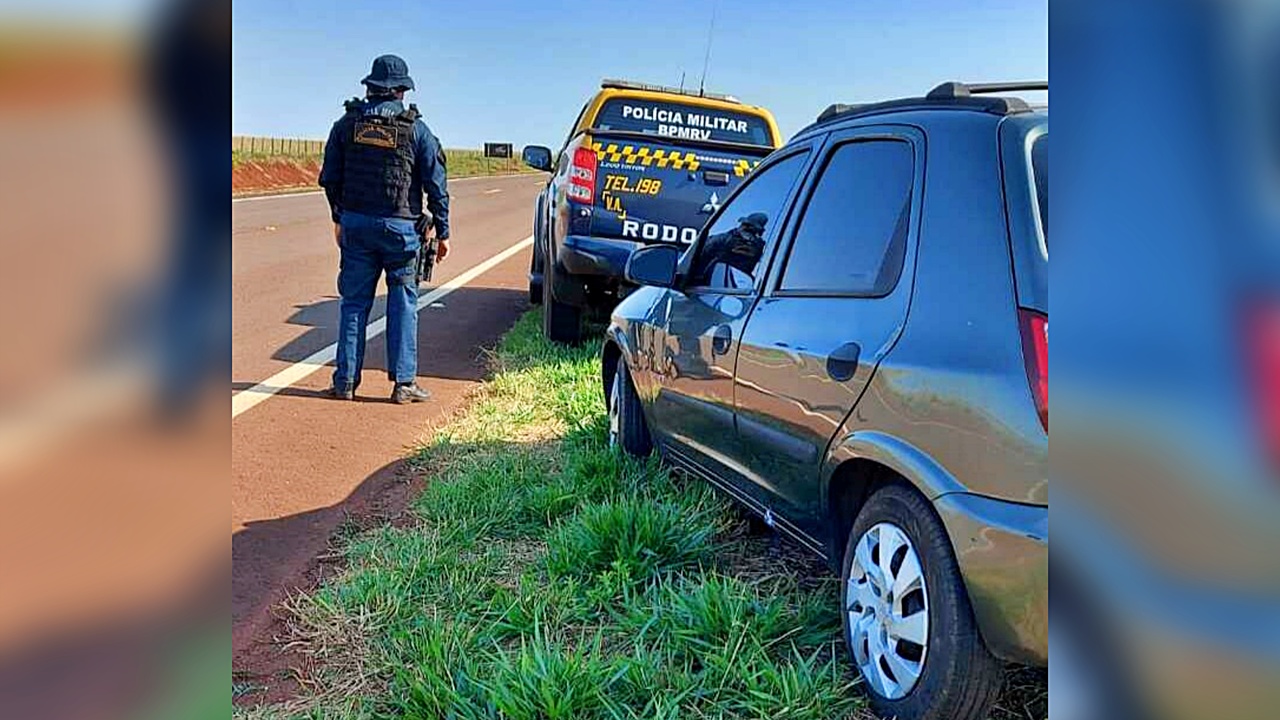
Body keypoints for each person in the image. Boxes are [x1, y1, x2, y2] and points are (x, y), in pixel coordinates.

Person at [319, 54, 451, 404]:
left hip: (356, 227)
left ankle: (345, 382)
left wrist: (338, 217)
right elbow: (436, 185)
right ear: (401, 91)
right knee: (403, 302)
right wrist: (442, 230)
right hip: (401, 230)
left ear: (371, 88)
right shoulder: (417, 129)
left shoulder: (346, 124)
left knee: (353, 304)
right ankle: (404, 384)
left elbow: (330, 178)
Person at [692, 212, 769, 288]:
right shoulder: (720, 240)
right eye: (747, 230)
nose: (748, 241)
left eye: (754, 234)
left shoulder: (762, 249)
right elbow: (696, 258)